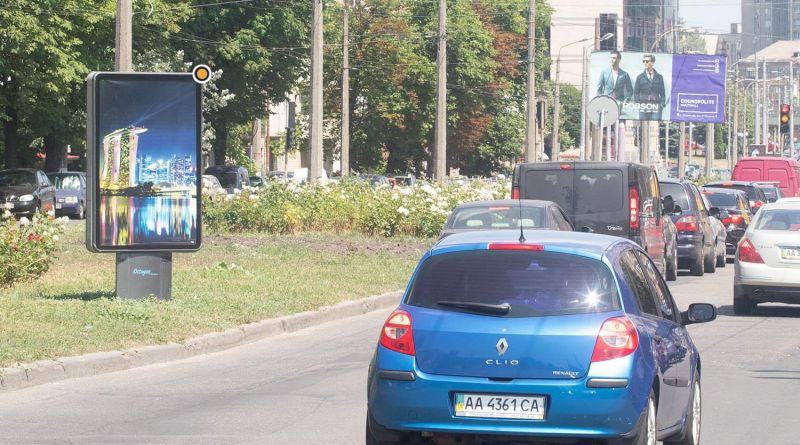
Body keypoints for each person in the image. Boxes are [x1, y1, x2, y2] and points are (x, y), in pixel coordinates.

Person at [633, 54, 666, 121]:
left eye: (647, 61)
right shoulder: (640, 77)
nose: (645, 63)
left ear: (653, 62)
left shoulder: (659, 77)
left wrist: (662, 104)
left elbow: (662, 93)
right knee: (643, 125)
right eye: (644, 61)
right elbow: (636, 92)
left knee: (654, 125)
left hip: (656, 106)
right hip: (644, 106)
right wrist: (638, 104)